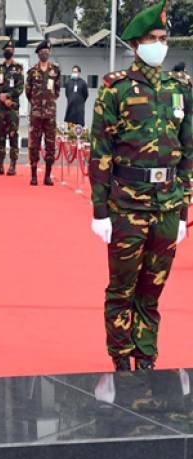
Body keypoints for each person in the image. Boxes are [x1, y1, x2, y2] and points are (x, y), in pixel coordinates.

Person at [89, 0, 191, 372]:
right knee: (122, 288)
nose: (160, 45)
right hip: (128, 205)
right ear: (136, 44)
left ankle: (146, 357)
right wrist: (99, 211)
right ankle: (120, 358)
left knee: (152, 290)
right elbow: (100, 151)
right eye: (153, 38)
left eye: (164, 38)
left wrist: (184, 209)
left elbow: (188, 152)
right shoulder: (115, 90)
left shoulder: (180, 88)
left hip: (167, 203)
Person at [25, 40, 60, 186]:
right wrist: (36, 104)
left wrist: (49, 102)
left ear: (49, 53)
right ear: (38, 53)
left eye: (47, 51)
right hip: (36, 114)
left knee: (50, 145)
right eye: (42, 51)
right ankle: (33, 175)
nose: (45, 53)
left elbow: (57, 91)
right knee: (34, 144)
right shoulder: (32, 71)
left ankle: (47, 176)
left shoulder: (55, 70)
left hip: (50, 114)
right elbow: (28, 92)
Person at [0, 40, 24, 176]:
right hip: (0, 108)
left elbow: (20, 87)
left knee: (13, 135)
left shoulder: (18, 68)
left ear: (13, 51)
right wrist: (0, 96)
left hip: (12, 108)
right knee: (0, 136)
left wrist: (9, 96)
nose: (8, 50)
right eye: (7, 48)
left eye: (11, 48)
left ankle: (12, 165)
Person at [64, 65, 89, 129]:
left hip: (79, 108)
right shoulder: (68, 82)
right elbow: (67, 94)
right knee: (70, 126)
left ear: (79, 73)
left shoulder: (83, 83)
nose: (74, 73)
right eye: (73, 71)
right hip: (70, 107)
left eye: (75, 71)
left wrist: (79, 101)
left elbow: (86, 95)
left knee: (79, 126)